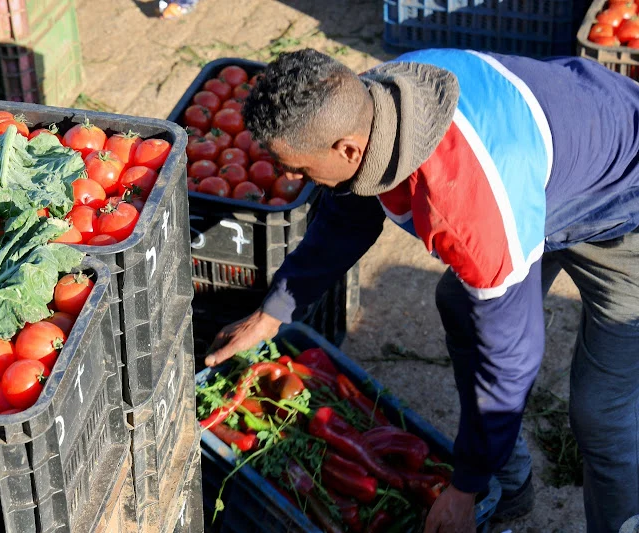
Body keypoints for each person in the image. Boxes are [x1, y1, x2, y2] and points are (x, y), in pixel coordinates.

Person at [204, 48, 639, 533]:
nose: (288, 179)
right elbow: (348, 213)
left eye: (299, 170)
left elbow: (511, 358)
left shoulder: (468, 210)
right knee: (459, 304)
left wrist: (464, 486)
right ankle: (508, 485)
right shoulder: (373, 100)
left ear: (348, 149)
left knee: (602, 415)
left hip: (624, 203)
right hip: (556, 164)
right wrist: (274, 311)